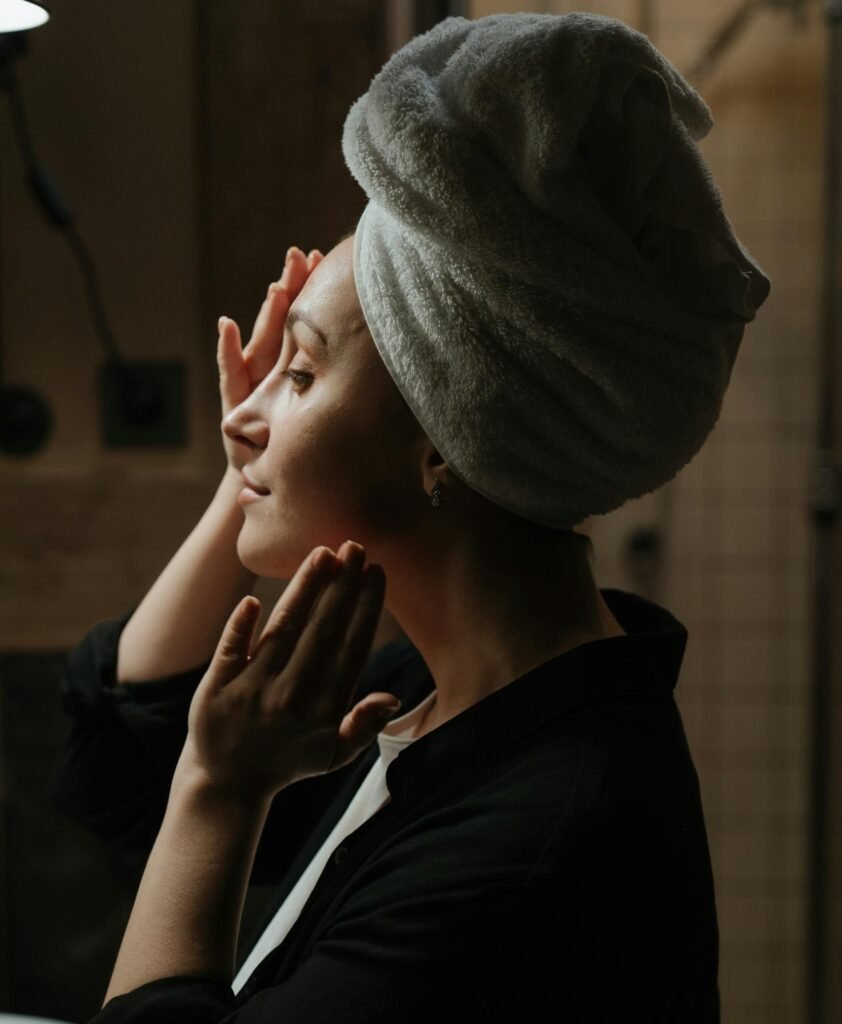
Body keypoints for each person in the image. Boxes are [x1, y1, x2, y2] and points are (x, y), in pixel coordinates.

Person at [50, 11, 773, 1022]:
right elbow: (115, 769)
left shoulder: (536, 845)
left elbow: (172, 789)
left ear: (445, 438)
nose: (246, 411)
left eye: (298, 371)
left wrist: (221, 791)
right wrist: (249, 470)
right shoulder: (440, 694)